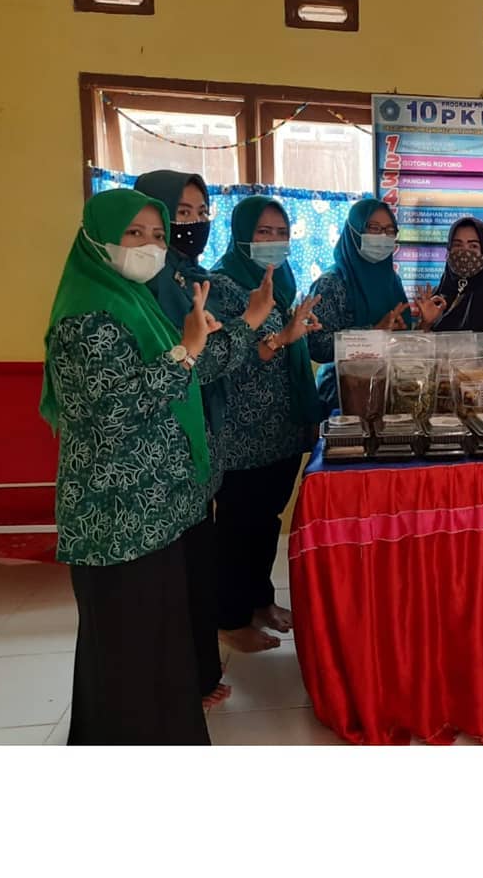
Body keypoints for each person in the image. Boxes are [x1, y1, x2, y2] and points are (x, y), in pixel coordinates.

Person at [41, 188, 221, 744]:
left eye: (158, 235)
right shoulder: (87, 315)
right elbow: (112, 413)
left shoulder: (133, 300)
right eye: (134, 233)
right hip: (115, 517)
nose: (150, 246)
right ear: (98, 239)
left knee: (155, 646)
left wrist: (192, 347)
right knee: (126, 654)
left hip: (151, 511)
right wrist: (185, 352)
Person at [133, 170, 274, 709]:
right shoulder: (148, 287)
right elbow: (193, 364)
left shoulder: (186, 277)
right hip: (160, 453)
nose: (191, 224)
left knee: (195, 566)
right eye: (179, 214)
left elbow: (199, 359)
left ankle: (196, 675)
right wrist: (251, 324)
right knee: (171, 578)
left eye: (199, 212)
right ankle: (180, 684)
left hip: (196, 443)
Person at [207, 196, 323, 654]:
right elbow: (221, 363)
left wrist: (297, 332)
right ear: (241, 234)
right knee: (238, 526)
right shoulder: (221, 286)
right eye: (263, 232)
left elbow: (290, 344)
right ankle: (230, 618)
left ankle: (260, 601)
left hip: (281, 426)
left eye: (282, 233)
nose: (274, 241)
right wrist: (280, 338)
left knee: (266, 522)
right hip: (240, 431)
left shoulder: (283, 280)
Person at [308, 198, 414, 410]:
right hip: (344, 397)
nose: (382, 236)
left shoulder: (392, 281)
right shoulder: (331, 283)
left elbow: (401, 341)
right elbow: (317, 345)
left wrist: (417, 327)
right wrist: (373, 333)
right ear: (353, 231)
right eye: (373, 228)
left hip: (388, 393)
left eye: (389, 230)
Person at [427, 217, 483, 332]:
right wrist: (426, 323)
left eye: (473, 246)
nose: (464, 253)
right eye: (457, 245)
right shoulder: (439, 296)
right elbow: (423, 340)